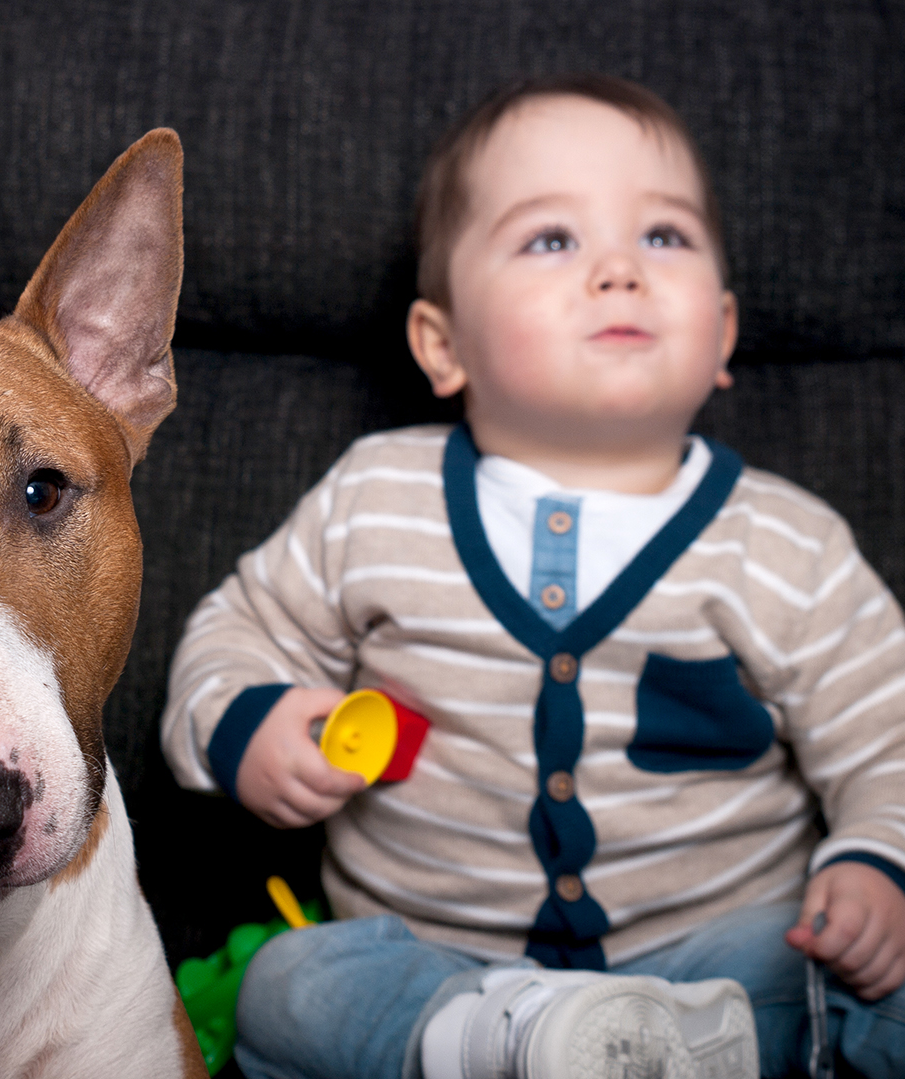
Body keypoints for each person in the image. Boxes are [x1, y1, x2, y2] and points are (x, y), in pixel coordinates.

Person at [161, 74, 905, 1079]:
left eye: (665, 238)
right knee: (287, 985)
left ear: (723, 334)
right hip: (436, 961)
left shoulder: (786, 546)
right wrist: (251, 723)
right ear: (443, 343)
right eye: (552, 239)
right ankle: (494, 1037)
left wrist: (871, 866)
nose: (618, 271)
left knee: (840, 967)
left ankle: (673, 1044)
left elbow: (888, 733)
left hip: (706, 959)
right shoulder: (375, 498)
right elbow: (235, 630)